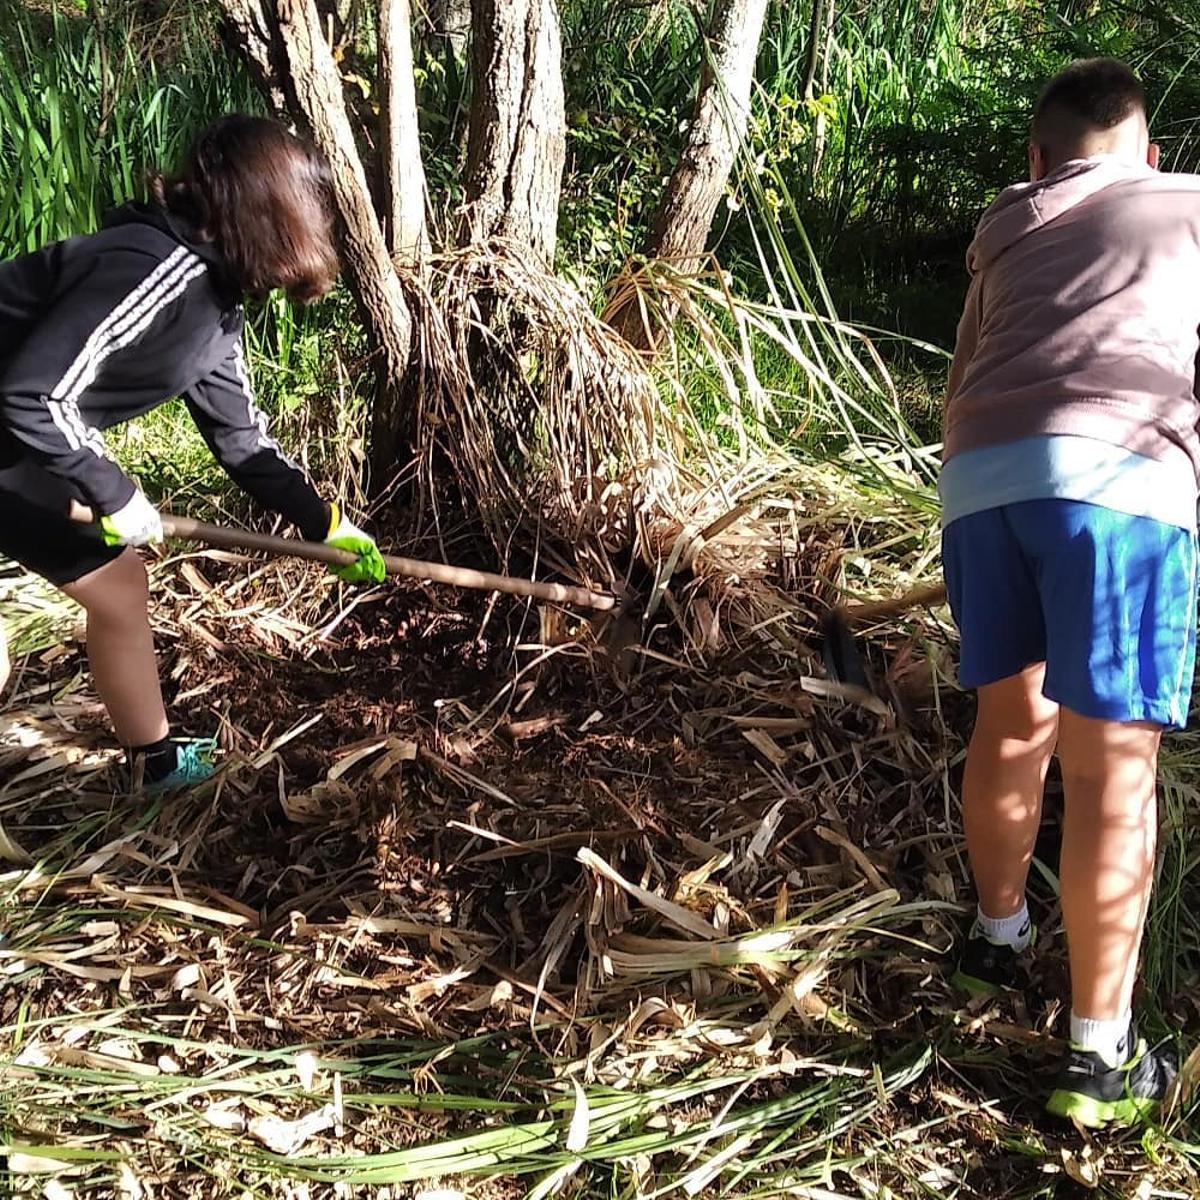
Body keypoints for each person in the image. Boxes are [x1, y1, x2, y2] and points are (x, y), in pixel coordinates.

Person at [940, 58, 1200, 1126]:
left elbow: (963, 373)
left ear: (1037, 157)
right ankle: (1100, 1058)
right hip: (1120, 485)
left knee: (1010, 726)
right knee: (1111, 767)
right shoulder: (1184, 206)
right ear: (1151, 154)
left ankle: (994, 941)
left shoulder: (1005, 225)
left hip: (980, 482)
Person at [0, 115, 386, 793]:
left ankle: (153, 767)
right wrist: (113, 491)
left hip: (13, 442)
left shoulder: (217, 300)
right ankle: (149, 769)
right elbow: (34, 394)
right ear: (275, 205)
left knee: (119, 586)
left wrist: (325, 523)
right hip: (13, 425)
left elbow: (244, 443)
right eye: (314, 205)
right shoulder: (151, 270)